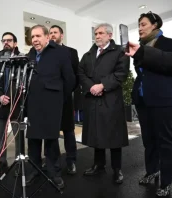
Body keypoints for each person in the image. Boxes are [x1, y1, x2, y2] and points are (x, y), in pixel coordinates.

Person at [78, 23, 129, 184]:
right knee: (96, 134)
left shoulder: (120, 52)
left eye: (100, 33)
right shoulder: (88, 54)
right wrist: (91, 86)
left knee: (114, 136)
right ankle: (98, 165)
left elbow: (121, 73)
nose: (97, 36)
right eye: (96, 33)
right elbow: (80, 72)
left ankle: (117, 169)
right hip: (93, 100)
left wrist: (102, 85)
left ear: (110, 35)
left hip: (111, 100)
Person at [25, 25, 75, 188]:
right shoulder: (30, 54)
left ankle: (54, 173)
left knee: (51, 140)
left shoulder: (60, 53)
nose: (35, 40)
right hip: (32, 103)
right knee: (33, 140)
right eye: (32, 37)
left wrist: (59, 98)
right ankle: (34, 170)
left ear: (47, 37)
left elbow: (70, 80)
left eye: (38, 36)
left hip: (52, 103)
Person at [129, 12, 172, 197]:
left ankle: (168, 181)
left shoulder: (168, 43)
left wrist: (142, 52)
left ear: (155, 25)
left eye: (143, 24)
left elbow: (168, 63)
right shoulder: (141, 47)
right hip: (143, 100)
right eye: (138, 24)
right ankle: (152, 170)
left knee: (165, 142)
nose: (140, 28)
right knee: (149, 140)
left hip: (163, 99)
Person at [0, 32, 22, 176]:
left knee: (18, 137)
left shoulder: (22, 59)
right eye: (4, 40)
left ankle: (19, 163)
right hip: (0, 105)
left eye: (9, 40)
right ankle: (1, 163)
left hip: (16, 105)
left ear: (15, 43)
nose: (6, 42)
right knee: (1, 137)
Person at [49, 25, 78, 174]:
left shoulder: (71, 52)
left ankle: (71, 160)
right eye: (50, 33)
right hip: (50, 100)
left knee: (69, 131)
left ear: (62, 34)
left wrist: (66, 92)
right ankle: (55, 162)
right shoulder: (46, 52)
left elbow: (75, 76)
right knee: (52, 132)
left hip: (66, 98)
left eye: (55, 32)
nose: (53, 35)